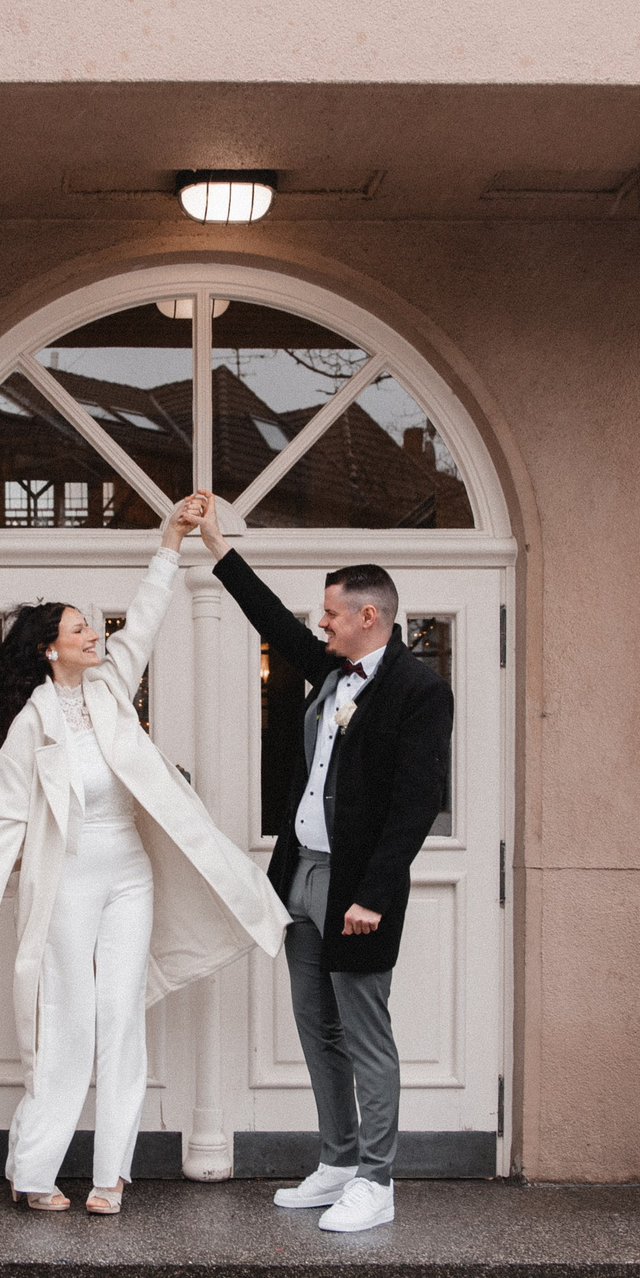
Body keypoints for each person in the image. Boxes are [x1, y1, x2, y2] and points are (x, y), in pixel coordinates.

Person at [0, 494, 286, 1214]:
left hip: (129, 878)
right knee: (67, 1022)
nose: (95, 636)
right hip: (69, 885)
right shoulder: (33, 725)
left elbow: (144, 618)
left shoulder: (114, 690)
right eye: (80, 630)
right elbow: (8, 818)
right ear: (50, 647)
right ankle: (34, 1172)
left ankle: (112, 1176)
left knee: (120, 1019)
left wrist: (170, 543)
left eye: (91, 628)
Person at [198, 496, 452, 1233]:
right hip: (302, 879)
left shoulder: (419, 691)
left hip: (358, 893)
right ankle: (338, 1161)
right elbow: (273, 621)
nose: (322, 625)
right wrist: (219, 550)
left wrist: (373, 893)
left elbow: (415, 803)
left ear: (369, 617)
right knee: (317, 1028)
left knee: (366, 1033)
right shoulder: (331, 673)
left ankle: (378, 1179)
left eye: (333, 615)